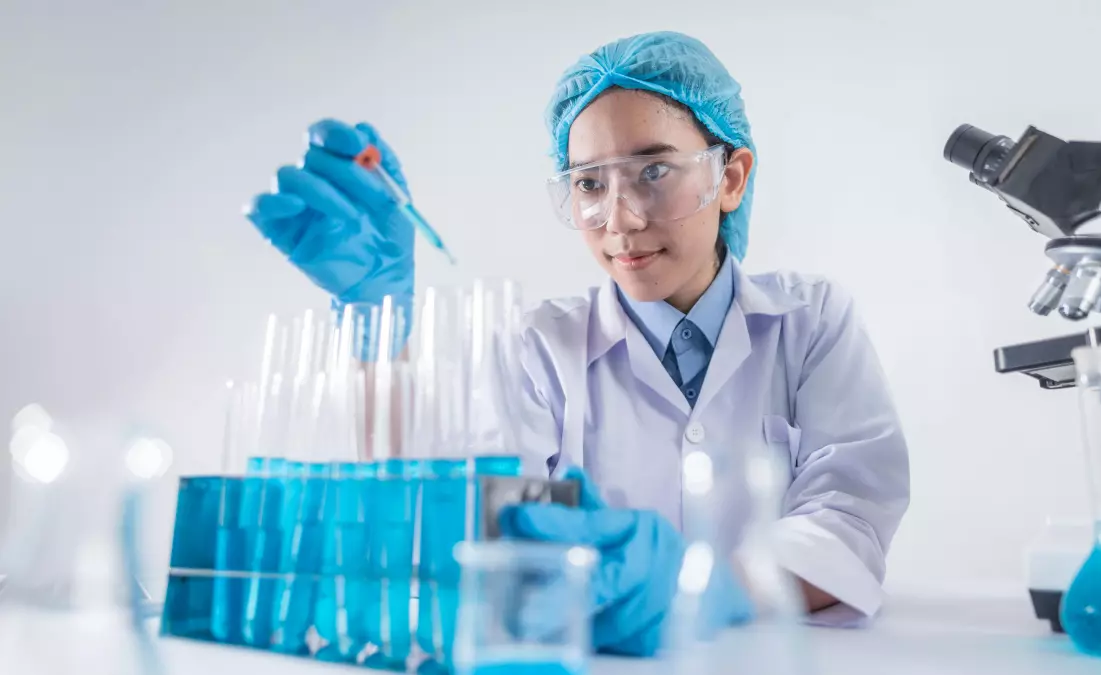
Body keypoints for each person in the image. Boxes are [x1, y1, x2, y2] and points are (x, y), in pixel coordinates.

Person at [246, 31, 910, 657]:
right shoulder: (539, 346)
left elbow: (850, 516)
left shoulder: (810, 319)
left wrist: (715, 587)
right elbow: (467, 518)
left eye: (653, 171)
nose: (620, 220)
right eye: (590, 183)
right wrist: (378, 331)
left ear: (729, 178)